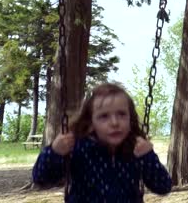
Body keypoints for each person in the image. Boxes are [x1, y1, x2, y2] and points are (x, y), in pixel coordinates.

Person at [32, 83, 172, 202]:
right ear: (91, 122)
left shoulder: (135, 149)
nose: (114, 122)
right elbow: (41, 179)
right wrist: (54, 152)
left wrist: (148, 157)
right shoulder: (78, 148)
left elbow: (163, 186)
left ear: (131, 118)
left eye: (122, 114)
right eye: (104, 116)